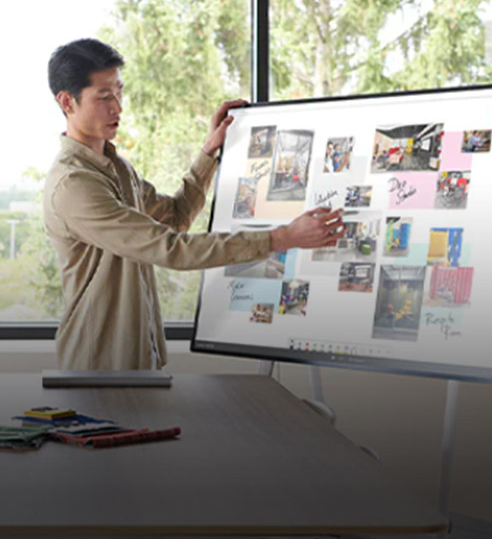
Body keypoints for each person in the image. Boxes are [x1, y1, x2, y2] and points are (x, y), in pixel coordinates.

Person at [42, 38, 343, 370]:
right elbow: (172, 248)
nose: (118, 107)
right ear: (67, 102)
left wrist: (209, 151)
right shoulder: (74, 186)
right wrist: (282, 238)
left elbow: (174, 218)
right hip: (96, 367)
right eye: (104, 97)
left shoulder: (118, 167)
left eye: (119, 92)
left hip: (142, 360)